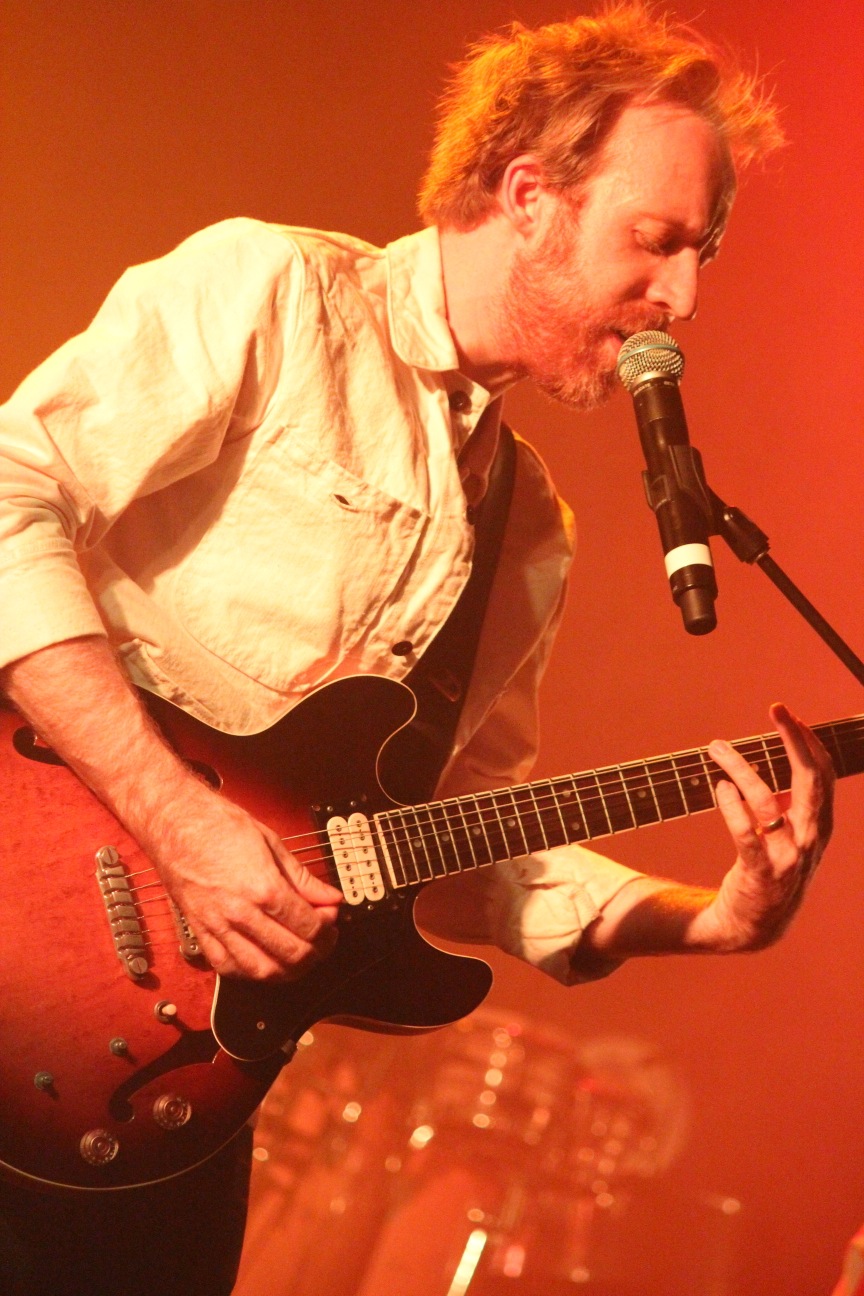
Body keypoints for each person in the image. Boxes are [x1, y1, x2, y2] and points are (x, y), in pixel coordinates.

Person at [0, 6, 835, 1294]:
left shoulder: (531, 529)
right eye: (658, 240)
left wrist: (714, 920)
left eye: (702, 253)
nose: (684, 298)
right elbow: (10, 498)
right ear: (530, 197)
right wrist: (176, 817)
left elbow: (457, 844)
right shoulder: (275, 293)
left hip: (168, 1090)